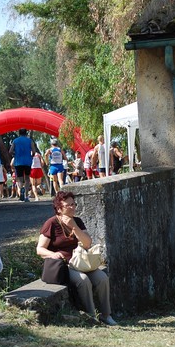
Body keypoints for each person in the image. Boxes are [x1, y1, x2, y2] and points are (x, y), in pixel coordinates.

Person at [37, 191, 117, 326]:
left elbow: (87, 243)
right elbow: (40, 249)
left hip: (82, 261)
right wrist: (53, 254)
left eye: (74, 204)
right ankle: (91, 316)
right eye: (68, 205)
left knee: (102, 278)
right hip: (65, 265)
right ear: (59, 208)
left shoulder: (77, 221)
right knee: (83, 280)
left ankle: (106, 315)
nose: (73, 207)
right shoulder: (51, 223)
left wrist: (74, 226)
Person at [9, 129, 35, 202]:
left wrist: (15, 155)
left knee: (19, 179)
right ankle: (26, 196)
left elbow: (10, 151)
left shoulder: (15, 141)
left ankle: (21, 190)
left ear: (19, 133)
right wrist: (31, 156)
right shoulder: (30, 140)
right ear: (26, 133)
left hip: (18, 162)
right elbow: (34, 151)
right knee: (27, 178)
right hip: (27, 161)